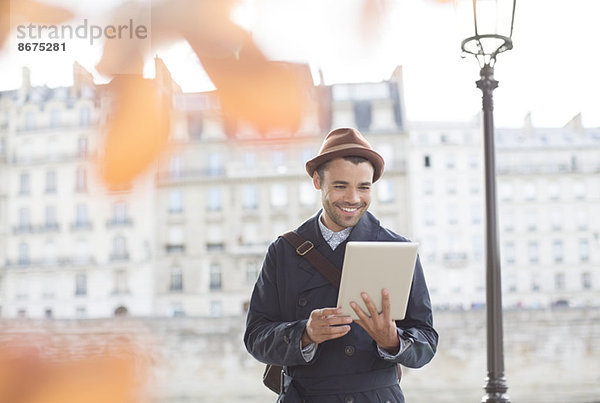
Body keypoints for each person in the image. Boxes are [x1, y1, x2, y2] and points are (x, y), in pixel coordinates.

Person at [244, 127, 438, 402]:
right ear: (316, 181)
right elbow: (255, 337)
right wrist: (306, 334)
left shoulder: (399, 249)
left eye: (364, 187)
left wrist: (393, 340)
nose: (353, 199)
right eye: (340, 186)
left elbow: (427, 341)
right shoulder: (284, 250)